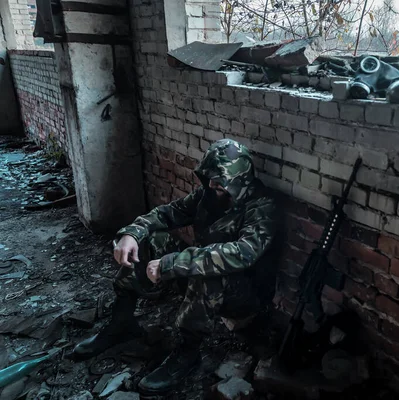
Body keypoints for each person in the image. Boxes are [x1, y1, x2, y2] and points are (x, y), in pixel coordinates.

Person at [71, 139, 280, 395]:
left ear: (238, 180)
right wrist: (132, 234)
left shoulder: (263, 207)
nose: (212, 184)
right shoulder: (208, 196)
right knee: (152, 241)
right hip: (205, 278)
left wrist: (173, 263)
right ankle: (122, 321)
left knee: (208, 273)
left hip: (246, 296)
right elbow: (168, 213)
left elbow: (242, 254)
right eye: (210, 178)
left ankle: (188, 352)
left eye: (219, 181)